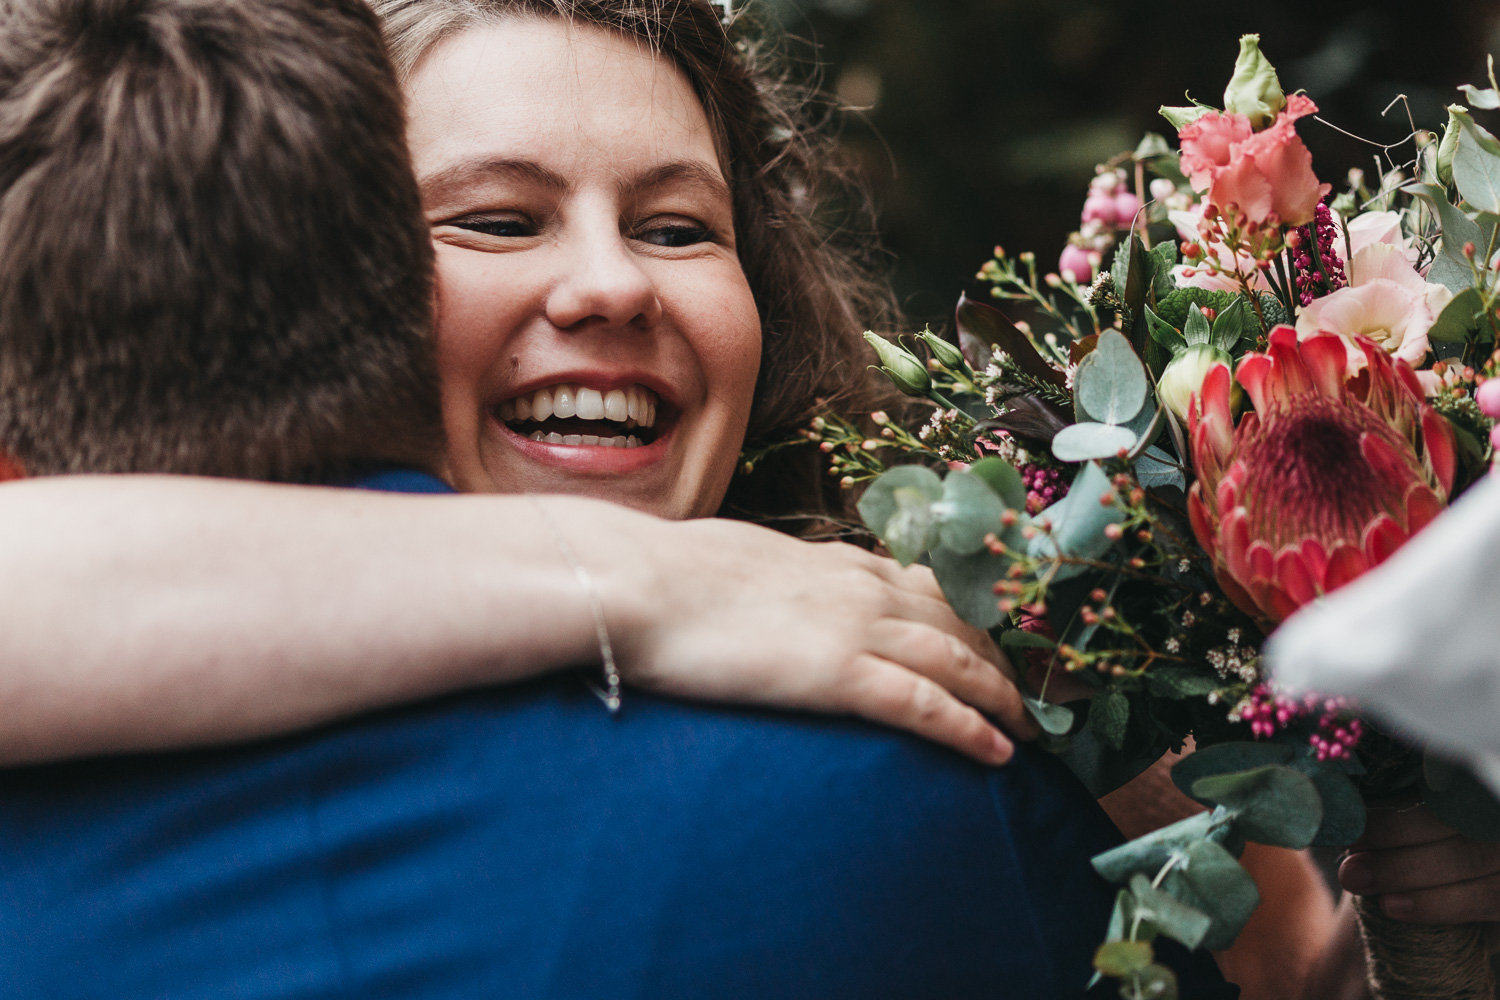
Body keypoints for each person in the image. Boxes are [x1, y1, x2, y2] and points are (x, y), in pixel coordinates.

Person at [0, 0, 1236, 996]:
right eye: (493, 219)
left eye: (680, 228)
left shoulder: (970, 723)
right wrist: (628, 579)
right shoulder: (910, 792)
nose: (611, 285)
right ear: (315, 276)